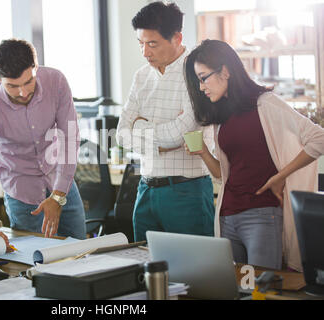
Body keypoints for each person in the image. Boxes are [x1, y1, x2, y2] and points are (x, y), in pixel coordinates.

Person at [184, 39, 324, 270]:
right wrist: (203, 153)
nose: (201, 87)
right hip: (227, 216)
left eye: (203, 78)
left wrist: (280, 177)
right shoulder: (221, 118)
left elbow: (318, 139)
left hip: (261, 214)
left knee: (261, 289)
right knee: (234, 289)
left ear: (225, 71)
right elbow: (224, 176)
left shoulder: (265, 104)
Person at [0, 39, 86, 251]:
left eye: (28, 82)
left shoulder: (56, 82)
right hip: (22, 195)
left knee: (82, 256)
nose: (23, 93)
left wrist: (59, 195)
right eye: (12, 86)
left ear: (36, 67)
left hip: (61, 183)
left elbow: (69, 137)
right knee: (35, 264)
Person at [116, 2, 215, 242]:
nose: (145, 52)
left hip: (186, 191)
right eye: (140, 43)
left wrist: (140, 126)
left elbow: (180, 134)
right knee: (148, 271)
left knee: (194, 273)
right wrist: (162, 141)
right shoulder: (141, 76)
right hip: (146, 190)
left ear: (177, 38)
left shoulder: (196, 72)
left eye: (152, 44)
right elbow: (120, 135)